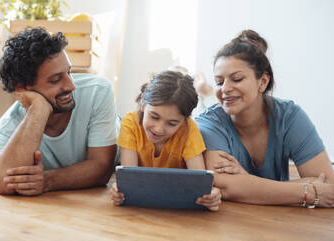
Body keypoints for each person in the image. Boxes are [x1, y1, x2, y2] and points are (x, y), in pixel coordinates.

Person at [195, 30, 334, 208]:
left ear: (262, 82)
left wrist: (246, 182)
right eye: (219, 82)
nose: (225, 89)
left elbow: (328, 186)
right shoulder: (208, 124)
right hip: (230, 225)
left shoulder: (290, 117)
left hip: (282, 223)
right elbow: (225, 186)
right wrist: (307, 191)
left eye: (236, 79)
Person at [0, 27, 117, 196]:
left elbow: (102, 167)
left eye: (69, 72)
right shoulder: (2, 132)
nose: (71, 85)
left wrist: (48, 180)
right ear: (22, 89)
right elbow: (1, 182)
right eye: (55, 80)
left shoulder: (97, 91)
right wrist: (38, 108)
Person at [110, 70, 221, 211]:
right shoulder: (130, 123)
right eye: (154, 117)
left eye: (172, 124)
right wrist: (119, 191)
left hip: (178, 210)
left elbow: (199, 183)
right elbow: (129, 180)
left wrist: (210, 195)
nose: (159, 129)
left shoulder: (189, 129)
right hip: (140, 208)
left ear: (184, 120)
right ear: (143, 104)